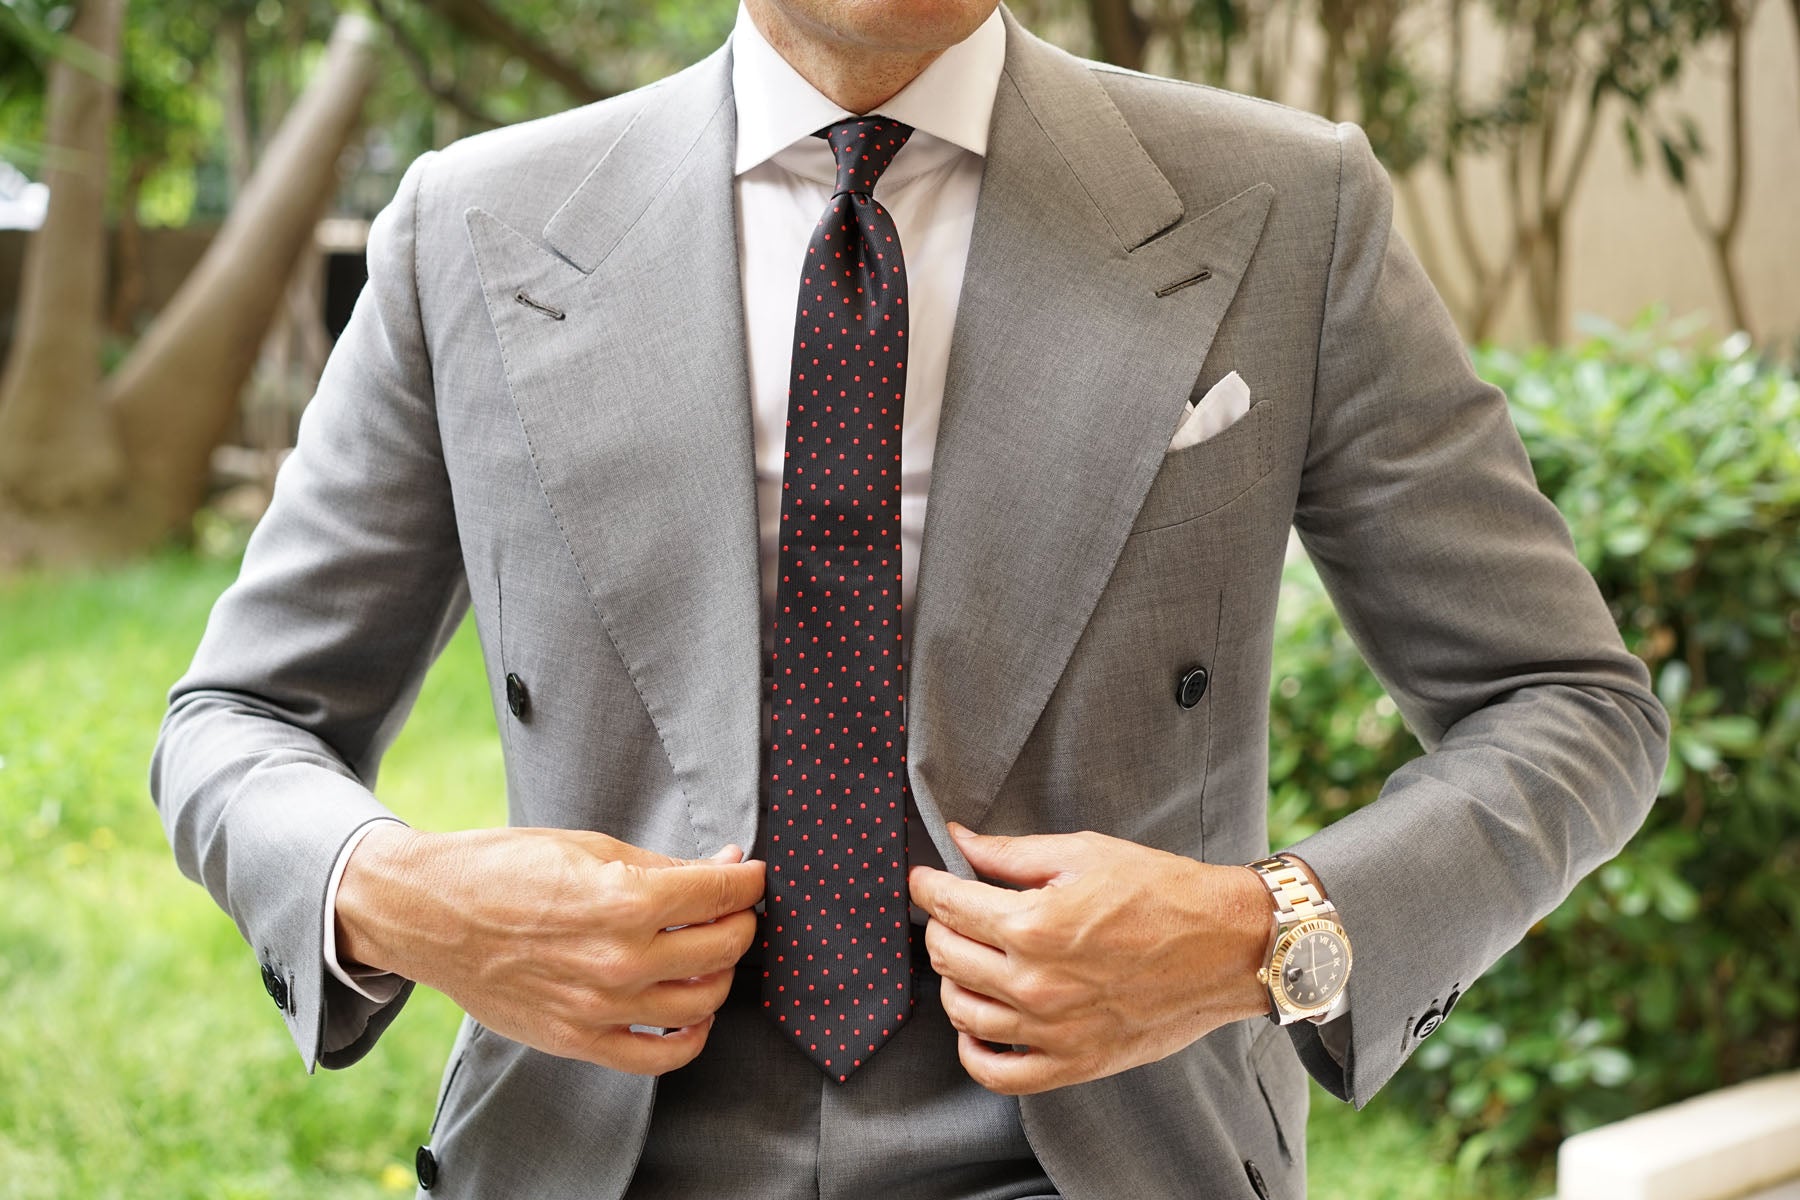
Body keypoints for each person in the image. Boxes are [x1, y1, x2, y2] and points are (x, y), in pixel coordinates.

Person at [150, 1, 1669, 1197]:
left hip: (1111, 1163)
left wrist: (1257, 931)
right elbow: (237, 719)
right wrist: (402, 898)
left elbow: (1571, 705)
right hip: (590, 1159)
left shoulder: (1288, 205)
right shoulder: (467, 228)